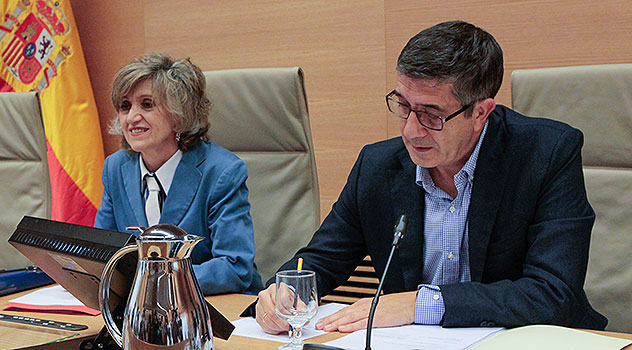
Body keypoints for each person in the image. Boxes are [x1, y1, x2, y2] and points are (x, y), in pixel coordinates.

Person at [255, 20, 607, 333]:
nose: (410, 131)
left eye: (431, 115)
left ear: (481, 113)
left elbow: (553, 292)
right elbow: (322, 258)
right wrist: (285, 292)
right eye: (404, 106)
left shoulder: (546, 154)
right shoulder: (377, 165)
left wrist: (418, 304)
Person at [95, 53, 263, 295]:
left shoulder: (221, 172)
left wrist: (155, 283)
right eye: (125, 106)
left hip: (210, 308)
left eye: (147, 104)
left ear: (180, 113)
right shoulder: (115, 168)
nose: (131, 117)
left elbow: (234, 267)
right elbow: (103, 253)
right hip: (139, 313)